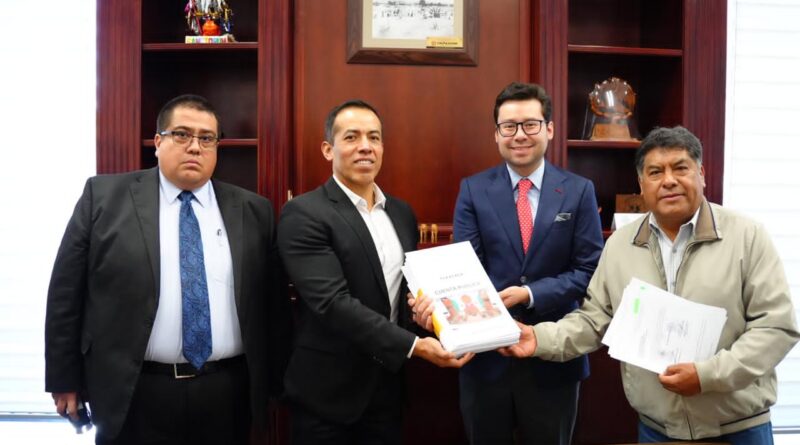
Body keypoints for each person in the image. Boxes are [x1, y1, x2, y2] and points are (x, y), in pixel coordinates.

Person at [500, 126, 800, 445]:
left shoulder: (746, 236)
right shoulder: (620, 246)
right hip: (656, 429)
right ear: (642, 185)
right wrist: (539, 338)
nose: (668, 180)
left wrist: (707, 375)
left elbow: (776, 327)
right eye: (655, 172)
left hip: (739, 429)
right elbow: (594, 320)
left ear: (701, 174)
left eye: (680, 168)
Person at [45, 94, 289, 444]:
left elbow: (273, 307)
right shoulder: (104, 198)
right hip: (135, 391)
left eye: (207, 138)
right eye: (182, 134)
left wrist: (275, 384)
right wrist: (64, 379)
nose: (195, 147)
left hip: (227, 391)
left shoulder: (254, 210)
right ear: (158, 142)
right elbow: (66, 294)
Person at [413, 81, 604, 444]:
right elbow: (465, 268)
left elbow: (589, 271)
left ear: (549, 129)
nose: (519, 135)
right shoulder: (473, 189)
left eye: (530, 124)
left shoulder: (579, 190)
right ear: (496, 134)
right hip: (485, 360)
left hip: (554, 359)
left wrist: (530, 294)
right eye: (509, 126)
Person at [277, 99, 472, 445]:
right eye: (351, 137)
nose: (365, 146)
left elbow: (402, 293)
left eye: (374, 137)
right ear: (328, 149)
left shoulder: (401, 213)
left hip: (388, 390)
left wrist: (427, 318)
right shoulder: (304, 213)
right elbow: (332, 304)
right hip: (327, 397)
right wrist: (415, 345)